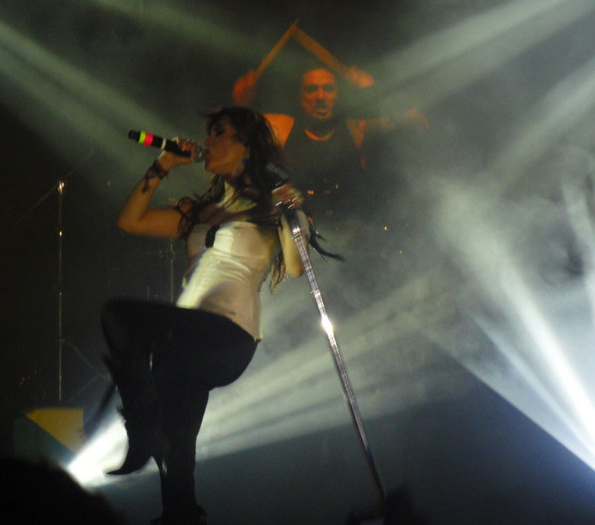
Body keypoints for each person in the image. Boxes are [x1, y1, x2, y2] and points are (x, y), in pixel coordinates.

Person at [100, 106, 308, 525]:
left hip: (227, 336)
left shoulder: (270, 205)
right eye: (208, 135)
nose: (207, 142)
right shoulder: (197, 212)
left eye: (218, 134)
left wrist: (290, 214)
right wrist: (163, 163)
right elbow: (130, 221)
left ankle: (141, 426)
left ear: (244, 146)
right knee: (176, 457)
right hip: (183, 341)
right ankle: (178, 511)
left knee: (120, 315)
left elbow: (296, 266)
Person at [233, 63, 428, 222]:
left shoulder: (356, 128)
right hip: (299, 231)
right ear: (301, 97)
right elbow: (230, 140)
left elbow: (418, 123)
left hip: (349, 229)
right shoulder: (281, 128)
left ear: (336, 95)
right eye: (312, 90)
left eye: (328, 89)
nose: (320, 97)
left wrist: (371, 89)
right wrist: (241, 104)